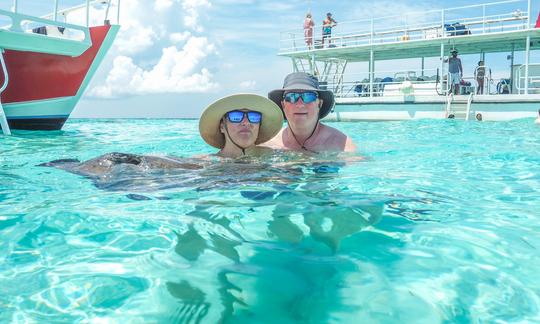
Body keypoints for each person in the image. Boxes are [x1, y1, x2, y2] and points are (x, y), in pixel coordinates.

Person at [266, 72, 356, 152]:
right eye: (291, 97)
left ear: (319, 104)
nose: (300, 104)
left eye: (309, 96)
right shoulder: (269, 143)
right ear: (283, 105)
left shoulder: (342, 145)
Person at [199, 94, 284, 158]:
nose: (246, 122)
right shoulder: (206, 163)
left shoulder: (278, 157)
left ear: (259, 126)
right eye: (236, 116)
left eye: (254, 117)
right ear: (222, 127)